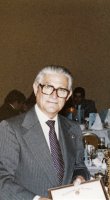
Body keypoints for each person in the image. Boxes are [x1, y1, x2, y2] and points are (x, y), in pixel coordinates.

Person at [0, 65, 90, 200]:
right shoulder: (11, 128)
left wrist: (80, 177)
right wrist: (35, 199)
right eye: (48, 88)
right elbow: (2, 180)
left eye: (61, 90)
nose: (54, 95)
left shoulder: (73, 128)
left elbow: (79, 165)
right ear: (36, 88)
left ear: (68, 95)